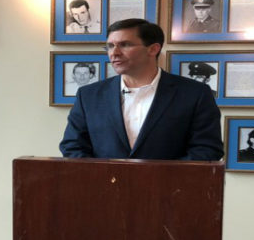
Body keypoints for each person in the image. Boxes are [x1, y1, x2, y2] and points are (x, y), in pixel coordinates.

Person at [59, 18, 223, 160]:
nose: (114, 53)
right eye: (109, 46)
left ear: (153, 49)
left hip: (169, 192)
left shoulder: (194, 94)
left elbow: (207, 150)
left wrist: (154, 179)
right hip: (103, 191)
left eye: (124, 45)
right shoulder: (89, 95)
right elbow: (73, 147)